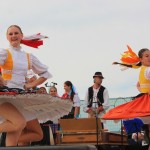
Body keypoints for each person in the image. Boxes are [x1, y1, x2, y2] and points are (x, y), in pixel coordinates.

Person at [0, 25, 52, 146]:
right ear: (7, 37)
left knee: (19, 131)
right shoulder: (4, 53)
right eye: (10, 34)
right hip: (5, 96)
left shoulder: (29, 56)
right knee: (19, 123)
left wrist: (30, 85)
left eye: (16, 33)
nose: (13, 36)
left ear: (21, 36)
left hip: (20, 96)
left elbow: (45, 73)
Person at [103, 46, 150, 150]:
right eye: (147, 56)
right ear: (141, 59)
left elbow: (139, 85)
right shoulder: (147, 70)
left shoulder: (143, 69)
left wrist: (142, 89)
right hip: (146, 101)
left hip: (144, 100)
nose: (149, 57)